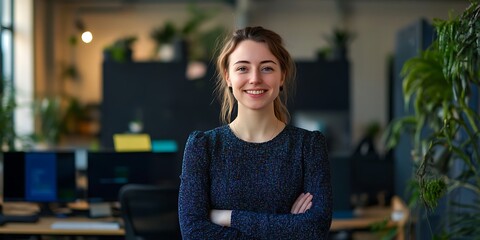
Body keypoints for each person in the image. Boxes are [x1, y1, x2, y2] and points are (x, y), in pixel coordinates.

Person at [178, 26, 332, 239]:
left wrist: (229, 218)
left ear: (282, 76)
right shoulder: (203, 147)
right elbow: (194, 233)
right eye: (242, 68)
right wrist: (288, 226)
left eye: (267, 68)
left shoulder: (309, 146)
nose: (255, 78)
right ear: (227, 77)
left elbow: (315, 228)